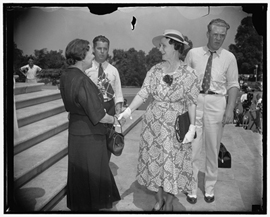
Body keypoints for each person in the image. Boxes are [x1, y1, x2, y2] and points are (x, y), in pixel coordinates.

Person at [118, 29, 200, 211]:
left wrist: (192, 127)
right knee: (156, 163)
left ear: (175, 47)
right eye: (160, 46)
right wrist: (128, 110)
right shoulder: (154, 70)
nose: (160, 49)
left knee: (172, 164)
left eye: (163, 45)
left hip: (176, 128)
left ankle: (170, 202)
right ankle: (159, 199)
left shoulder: (189, 74)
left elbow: (192, 102)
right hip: (153, 127)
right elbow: (143, 92)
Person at [59, 38, 121, 211]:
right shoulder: (83, 80)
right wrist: (114, 119)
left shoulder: (65, 75)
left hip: (75, 132)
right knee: (93, 172)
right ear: (81, 55)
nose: (93, 55)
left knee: (79, 173)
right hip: (90, 135)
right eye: (90, 52)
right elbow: (99, 115)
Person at [184, 18, 239, 204]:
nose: (218, 38)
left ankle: (209, 188)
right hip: (195, 101)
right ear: (208, 34)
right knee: (193, 148)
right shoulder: (193, 54)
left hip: (217, 102)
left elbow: (233, 85)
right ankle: (191, 188)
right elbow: (184, 82)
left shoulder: (229, 57)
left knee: (213, 149)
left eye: (222, 36)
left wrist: (230, 108)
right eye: (215, 34)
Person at [85, 35, 124, 160]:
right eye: (99, 48)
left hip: (109, 107)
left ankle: (104, 166)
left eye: (105, 49)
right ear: (94, 49)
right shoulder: (87, 69)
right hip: (92, 108)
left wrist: (118, 117)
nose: (102, 52)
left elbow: (118, 94)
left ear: (108, 50)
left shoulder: (113, 70)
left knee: (108, 140)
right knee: (93, 141)